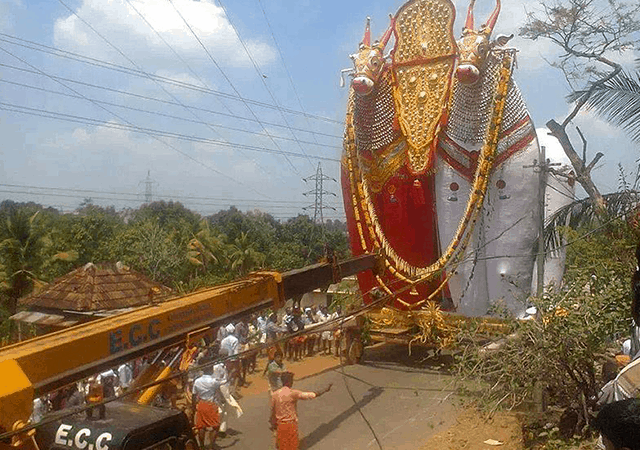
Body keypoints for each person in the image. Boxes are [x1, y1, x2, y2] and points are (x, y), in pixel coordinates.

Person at [269, 372, 332, 450]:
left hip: (280, 426)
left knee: (282, 446)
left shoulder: (275, 394)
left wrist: (273, 425)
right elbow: (310, 395)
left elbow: (273, 412)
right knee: (293, 446)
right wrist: (325, 390)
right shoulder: (293, 393)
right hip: (291, 425)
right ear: (289, 381)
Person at [192, 364, 223, 448]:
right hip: (211, 404)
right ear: (211, 370)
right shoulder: (214, 381)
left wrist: (193, 406)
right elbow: (219, 391)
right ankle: (211, 446)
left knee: (201, 426)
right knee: (215, 426)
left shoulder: (197, 381)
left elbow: (194, 395)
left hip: (201, 403)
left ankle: (201, 446)